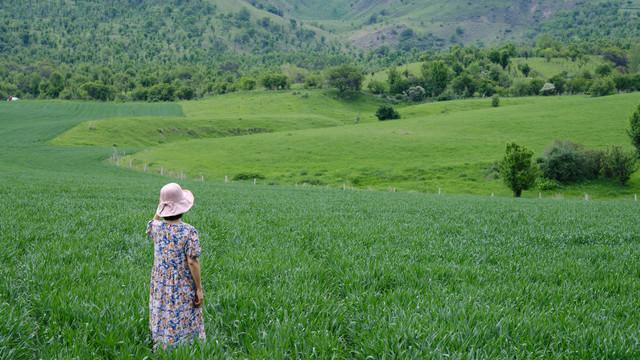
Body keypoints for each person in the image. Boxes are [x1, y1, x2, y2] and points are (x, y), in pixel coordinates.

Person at [146, 182, 205, 351]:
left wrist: (161, 207)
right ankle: (185, 347)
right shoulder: (188, 231)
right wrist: (199, 288)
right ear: (183, 207)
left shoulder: (155, 227)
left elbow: (150, 225)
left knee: (162, 309)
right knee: (184, 311)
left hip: (159, 280)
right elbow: (192, 262)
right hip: (181, 281)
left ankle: (162, 345)